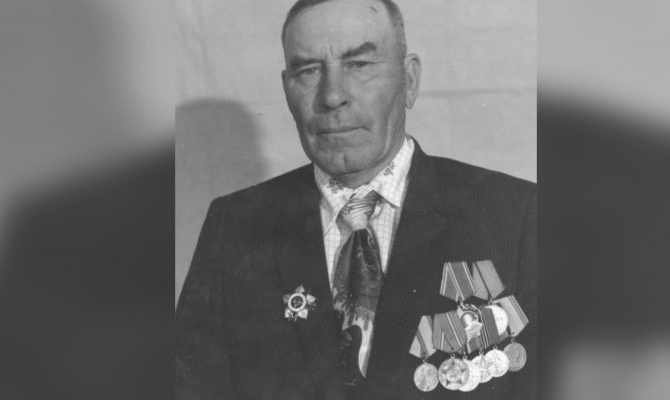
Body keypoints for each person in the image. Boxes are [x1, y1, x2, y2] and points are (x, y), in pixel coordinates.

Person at [175, 0, 535, 399]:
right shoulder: (235, 226)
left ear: (409, 80)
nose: (332, 96)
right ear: (287, 89)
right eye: (308, 70)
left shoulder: (516, 215)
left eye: (359, 65)